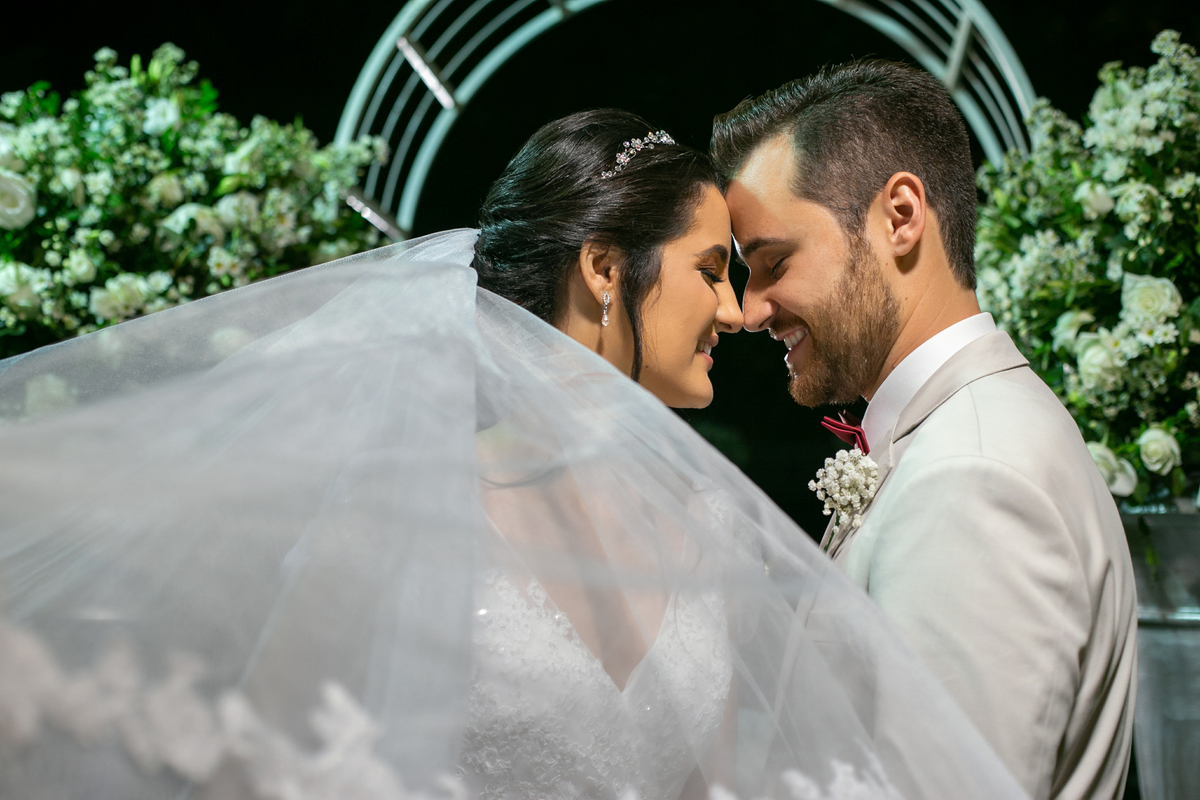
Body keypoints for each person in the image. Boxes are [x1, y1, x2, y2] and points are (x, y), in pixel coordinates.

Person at [0, 110, 1028, 800]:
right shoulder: (391, 514)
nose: (733, 308)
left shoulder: (711, 518)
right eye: (711, 270)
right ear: (601, 268)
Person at [711, 62, 1138, 800]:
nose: (751, 311)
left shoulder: (971, 478)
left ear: (901, 215)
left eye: (773, 263)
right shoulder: (959, 437)